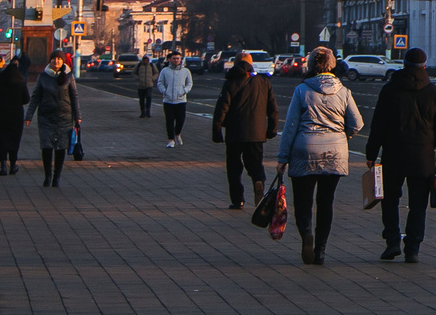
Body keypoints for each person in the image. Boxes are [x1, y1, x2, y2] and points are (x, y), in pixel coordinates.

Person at [277, 47, 365, 264]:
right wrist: (341, 136)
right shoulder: (343, 91)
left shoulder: (302, 91)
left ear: (310, 65)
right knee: (326, 202)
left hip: (304, 150)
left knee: (303, 201)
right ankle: (321, 250)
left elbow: (290, 127)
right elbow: (357, 123)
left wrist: (282, 158)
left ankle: (306, 233)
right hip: (334, 152)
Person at [366, 48, 436, 264]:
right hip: (422, 158)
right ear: (424, 66)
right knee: (418, 205)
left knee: (390, 201)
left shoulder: (390, 89)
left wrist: (371, 153)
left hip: (393, 154)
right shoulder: (434, 93)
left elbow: (378, 124)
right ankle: (412, 248)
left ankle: (392, 241)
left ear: (404, 65)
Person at [210, 53, 278, 209]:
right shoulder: (263, 82)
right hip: (256, 133)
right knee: (255, 163)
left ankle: (237, 199)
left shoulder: (230, 83)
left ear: (235, 64)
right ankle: (258, 181)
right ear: (251, 64)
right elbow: (272, 108)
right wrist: (271, 129)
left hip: (234, 133)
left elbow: (221, 109)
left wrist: (217, 131)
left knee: (234, 167)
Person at [29, 53, 82, 188]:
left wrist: (78, 116)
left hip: (64, 117)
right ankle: (47, 176)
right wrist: (28, 116)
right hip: (46, 117)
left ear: (62, 61)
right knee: (46, 146)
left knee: (60, 148)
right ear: (50, 61)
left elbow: (74, 96)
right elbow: (35, 97)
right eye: (54, 59)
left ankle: (56, 177)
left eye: (59, 59)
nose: (56, 61)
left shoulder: (69, 77)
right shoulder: (43, 76)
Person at [0, 56, 30, 175]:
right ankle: (13, 165)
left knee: (2, 140)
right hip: (16, 115)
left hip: (1, 114)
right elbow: (26, 99)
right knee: (15, 140)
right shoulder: (21, 82)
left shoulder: (0, 81)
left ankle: (3, 165)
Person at [156, 51, 195, 146]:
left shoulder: (185, 71)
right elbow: (160, 83)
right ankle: (171, 140)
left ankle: (177, 134)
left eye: (178, 58)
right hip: (168, 100)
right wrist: (165, 91)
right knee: (169, 120)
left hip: (181, 100)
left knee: (180, 119)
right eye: (174, 58)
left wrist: (184, 91)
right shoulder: (165, 71)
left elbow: (189, 83)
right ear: (170, 59)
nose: (176, 60)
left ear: (180, 59)